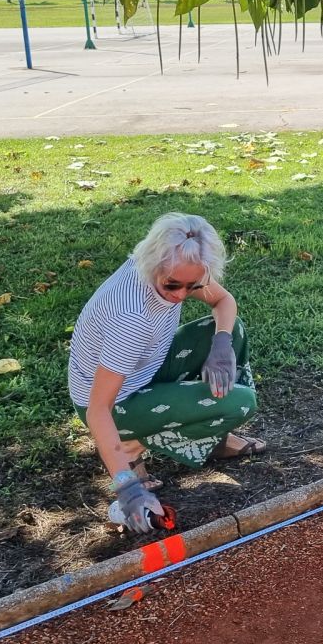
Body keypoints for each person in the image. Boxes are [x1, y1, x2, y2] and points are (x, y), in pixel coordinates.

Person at [69, 212, 266, 532]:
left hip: (143, 366)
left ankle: (213, 439)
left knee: (231, 332)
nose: (179, 295)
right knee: (241, 402)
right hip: (114, 403)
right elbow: (97, 409)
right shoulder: (131, 318)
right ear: (153, 264)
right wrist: (125, 486)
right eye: (172, 285)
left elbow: (224, 301)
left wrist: (221, 346)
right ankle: (131, 445)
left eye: (193, 286)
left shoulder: (168, 262)